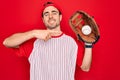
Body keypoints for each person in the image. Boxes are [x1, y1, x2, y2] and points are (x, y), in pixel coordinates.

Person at [3, 2, 92, 80]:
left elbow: (85, 68)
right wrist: (33, 33)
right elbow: (7, 42)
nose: (50, 16)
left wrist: (88, 45)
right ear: (43, 20)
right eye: (46, 14)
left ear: (60, 17)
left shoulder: (72, 43)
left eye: (54, 13)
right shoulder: (35, 43)